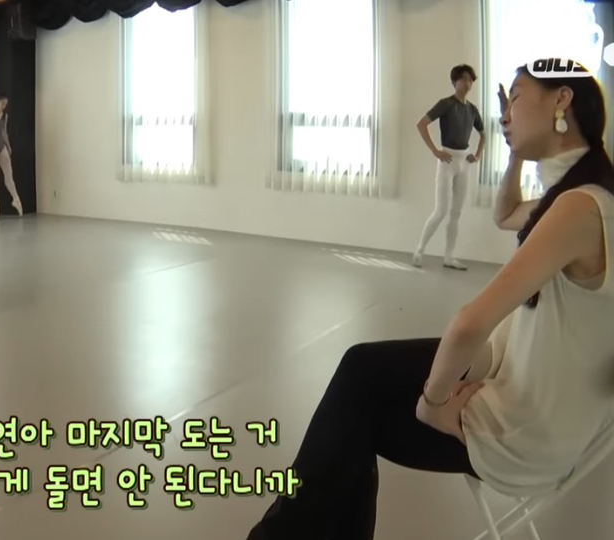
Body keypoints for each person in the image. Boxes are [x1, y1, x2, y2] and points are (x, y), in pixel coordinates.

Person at [246, 62, 614, 539]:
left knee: (353, 418)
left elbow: (471, 323)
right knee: (359, 371)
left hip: (527, 430)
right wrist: (516, 154)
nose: (506, 113)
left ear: (562, 100)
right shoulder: (582, 197)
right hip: (519, 381)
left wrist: (434, 405)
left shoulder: (579, 208)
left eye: (519, 96)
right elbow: (506, 214)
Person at [413, 64, 487, 271]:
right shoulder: (446, 104)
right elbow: (421, 124)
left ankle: (449, 257)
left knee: (456, 213)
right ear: (454, 82)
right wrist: (435, 151)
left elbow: (483, 135)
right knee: (441, 211)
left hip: (464, 162)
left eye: (470, 80)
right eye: (463, 79)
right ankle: (419, 250)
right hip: (447, 161)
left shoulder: (472, 109)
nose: (467, 83)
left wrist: (477, 155)